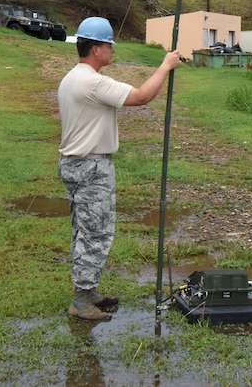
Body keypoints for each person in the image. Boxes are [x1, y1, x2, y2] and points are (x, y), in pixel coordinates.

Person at [58, 16, 181, 321]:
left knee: (83, 230)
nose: (113, 50)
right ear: (96, 48)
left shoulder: (72, 77)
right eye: (109, 45)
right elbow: (142, 96)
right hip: (91, 167)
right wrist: (165, 66)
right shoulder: (92, 82)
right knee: (95, 233)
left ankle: (87, 292)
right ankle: (81, 300)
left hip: (75, 165)